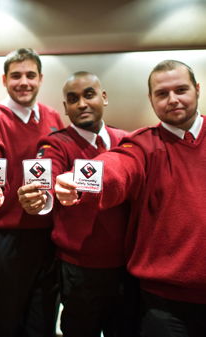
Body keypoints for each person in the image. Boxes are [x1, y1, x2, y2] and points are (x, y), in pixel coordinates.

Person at [55, 60, 206, 336]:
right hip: (163, 303)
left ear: (197, 89)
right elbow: (117, 167)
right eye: (162, 94)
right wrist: (85, 181)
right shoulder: (141, 144)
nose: (172, 100)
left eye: (181, 90)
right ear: (151, 99)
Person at [18, 71, 140, 337]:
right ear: (66, 107)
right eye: (73, 99)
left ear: (103, 97)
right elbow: (46, 179)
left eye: (89, 95)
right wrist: (40, 199)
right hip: (78, 269)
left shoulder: (128, 141)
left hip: (126, 266)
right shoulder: (55, 144)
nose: (82, 104)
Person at [0, 48, 64, 337]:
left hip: (50, 235)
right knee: (8, 321)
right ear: (4, 79)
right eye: (16, 76)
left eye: (30, 75)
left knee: (44, 319)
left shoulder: (52, 117)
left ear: (40, 79)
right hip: (9, 237)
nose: (24, 82)